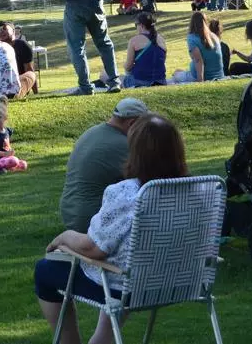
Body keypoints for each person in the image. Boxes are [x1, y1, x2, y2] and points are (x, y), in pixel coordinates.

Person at [38, 114, 191, 344]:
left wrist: (64, 237)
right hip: (181, 282)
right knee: (121, 261)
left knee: (46, 270)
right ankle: (102, 339)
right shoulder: (199, 190)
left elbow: (92, 248)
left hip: (131, 288)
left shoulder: (128, 193)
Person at [59, 98, 150, 232]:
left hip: (71, 213)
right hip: (92, 220)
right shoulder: (123, 144)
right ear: (132, 123)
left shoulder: (92, 132)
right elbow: (150, 180)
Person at [0, 96, 28, 176]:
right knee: (14, 161)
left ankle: (3, 168)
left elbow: (6, 146)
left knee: (23, 164)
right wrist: (5, 154)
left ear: (5, 118)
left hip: (5, 158)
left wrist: (10, 152)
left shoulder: (7, 131)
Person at [173, 12, 224, 83]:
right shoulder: (214, 36)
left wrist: (200, 81)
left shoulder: (192, 38)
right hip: (220, 75)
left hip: (200, 76)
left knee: (176, 73)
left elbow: (199, 61)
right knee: (180, 71)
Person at [123, 13, 167, 88]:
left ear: (141, 25)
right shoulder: (162, 40)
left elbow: (128, 66)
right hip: (161, 81)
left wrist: (124, 66)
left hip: (140, 81)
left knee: (105, 75)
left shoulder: (134, 40)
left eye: (136, 25)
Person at [0, 21, 38, 95]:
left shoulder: (22, 45)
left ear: (13, 31)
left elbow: (29, 70)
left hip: (18, 86)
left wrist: (36, 94)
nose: (1, 32)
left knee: (31, 74)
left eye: (4, 29)